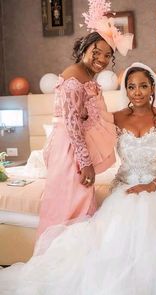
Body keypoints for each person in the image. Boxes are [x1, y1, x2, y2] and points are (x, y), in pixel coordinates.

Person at [1, 62, 156, 294]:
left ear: (153, 88)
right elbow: (79, 130)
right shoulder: (114, 119)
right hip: (124, 185)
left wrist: (152, 185)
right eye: (131, 87)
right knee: (120, 221)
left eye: (143, 86)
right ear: (126, 90)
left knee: (155, 218)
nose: (137, 92)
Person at [37, 0, 133, 237]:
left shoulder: (86, 76)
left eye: (107, 55)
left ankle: (77, 258)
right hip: (69, 150)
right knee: (71, 205)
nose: (101, 58)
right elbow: (72, 125)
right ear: (84, 50)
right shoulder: (73, 78)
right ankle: (61, 257)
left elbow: (89, 115)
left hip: (73, 149)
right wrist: (86, 163)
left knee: (78, 203)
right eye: (96, 52)